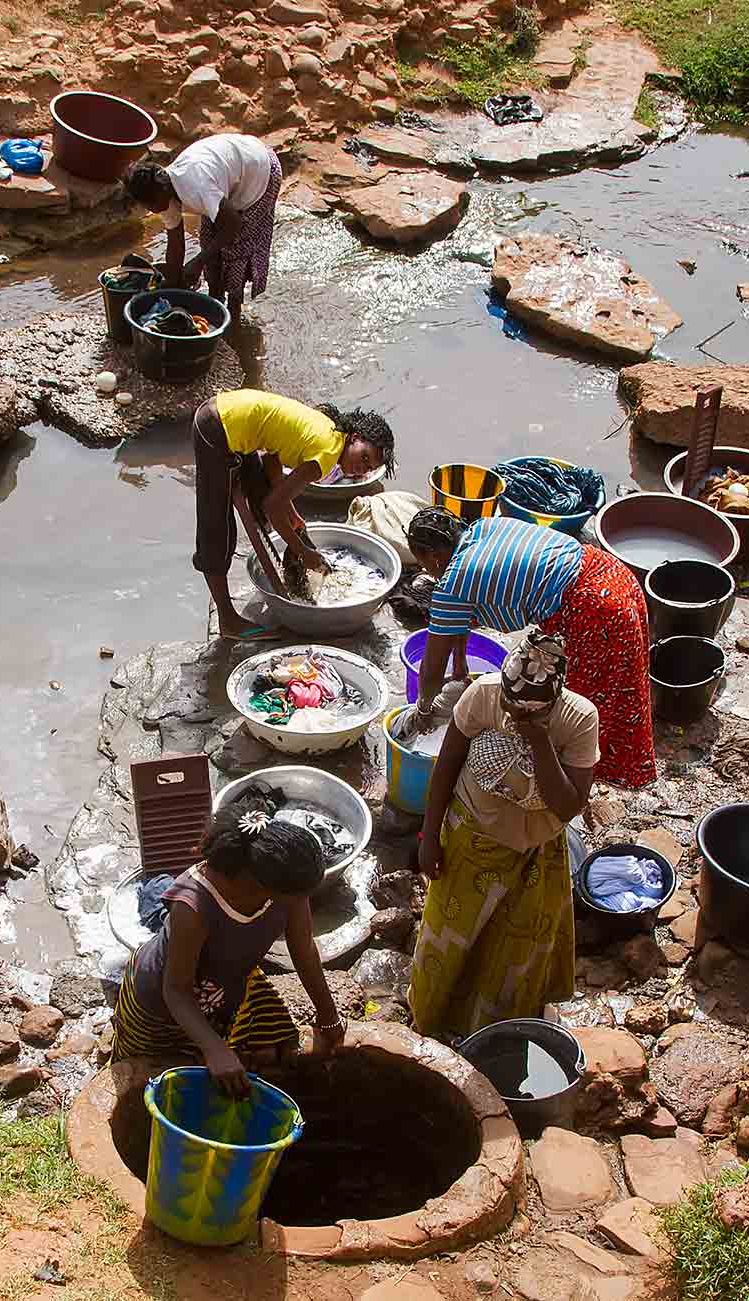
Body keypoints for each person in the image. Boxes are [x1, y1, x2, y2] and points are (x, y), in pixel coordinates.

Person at [409, 633, 595, 1038]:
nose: (512, 712)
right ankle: (430, 1020)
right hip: (471, 835)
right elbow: (447, 765)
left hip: (536, 851)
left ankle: (494, 1034)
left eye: (527, 709)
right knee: (449, 939)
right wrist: (430, 835)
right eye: (510, 702)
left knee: (514, 950)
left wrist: (540, 744)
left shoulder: (579, 720)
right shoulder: (484, 694)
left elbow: (568, 805)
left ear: (552, 702)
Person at [406, 508, 656, 789]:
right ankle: (590, 773)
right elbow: (461, 617)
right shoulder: (484, 528)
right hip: (612, 573)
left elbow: (430, 669)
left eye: (423, 563)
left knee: (583, 705)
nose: (426, 571)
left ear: (434, 557)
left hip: (593, 608)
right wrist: (461, 667)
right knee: (624, 684)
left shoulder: (453, 584)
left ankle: (576, 785)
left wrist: (425, 711)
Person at [111, 800, 345, 1097]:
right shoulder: (194, 905)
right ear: (259, 884)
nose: (302, 902)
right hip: (162, 1004)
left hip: (227, 985)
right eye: (294, 897)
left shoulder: (287, 885)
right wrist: (215, 1049)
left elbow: (303, 950)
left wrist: (328, 1016)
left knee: (268, 1050)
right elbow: (176, 989)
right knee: (165, 1083)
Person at [192, 388, 396, 640]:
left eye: (368, 467)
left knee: (259, 492)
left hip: (228, 414)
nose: (360, 468)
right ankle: (228, 621)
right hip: (217, 428)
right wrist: (304, 551)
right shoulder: (326, 455)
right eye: (363, 457)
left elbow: (270, 460)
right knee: (217, 530)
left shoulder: (331, 431)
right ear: (354, 438)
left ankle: (286, 570)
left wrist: (290, 511)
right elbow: (272, 507)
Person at [125, 134, 283, 316]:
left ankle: (233, 312)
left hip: (260, 170)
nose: (152, 210)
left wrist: (199, 261)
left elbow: (233, 224)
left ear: (162, 189)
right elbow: (176, 243)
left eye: (150, 205)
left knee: (235, 249)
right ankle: (215, 299)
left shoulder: (196, 186)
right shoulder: (164, 192)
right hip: (227, 176)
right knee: (208, 241)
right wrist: (172, 282)